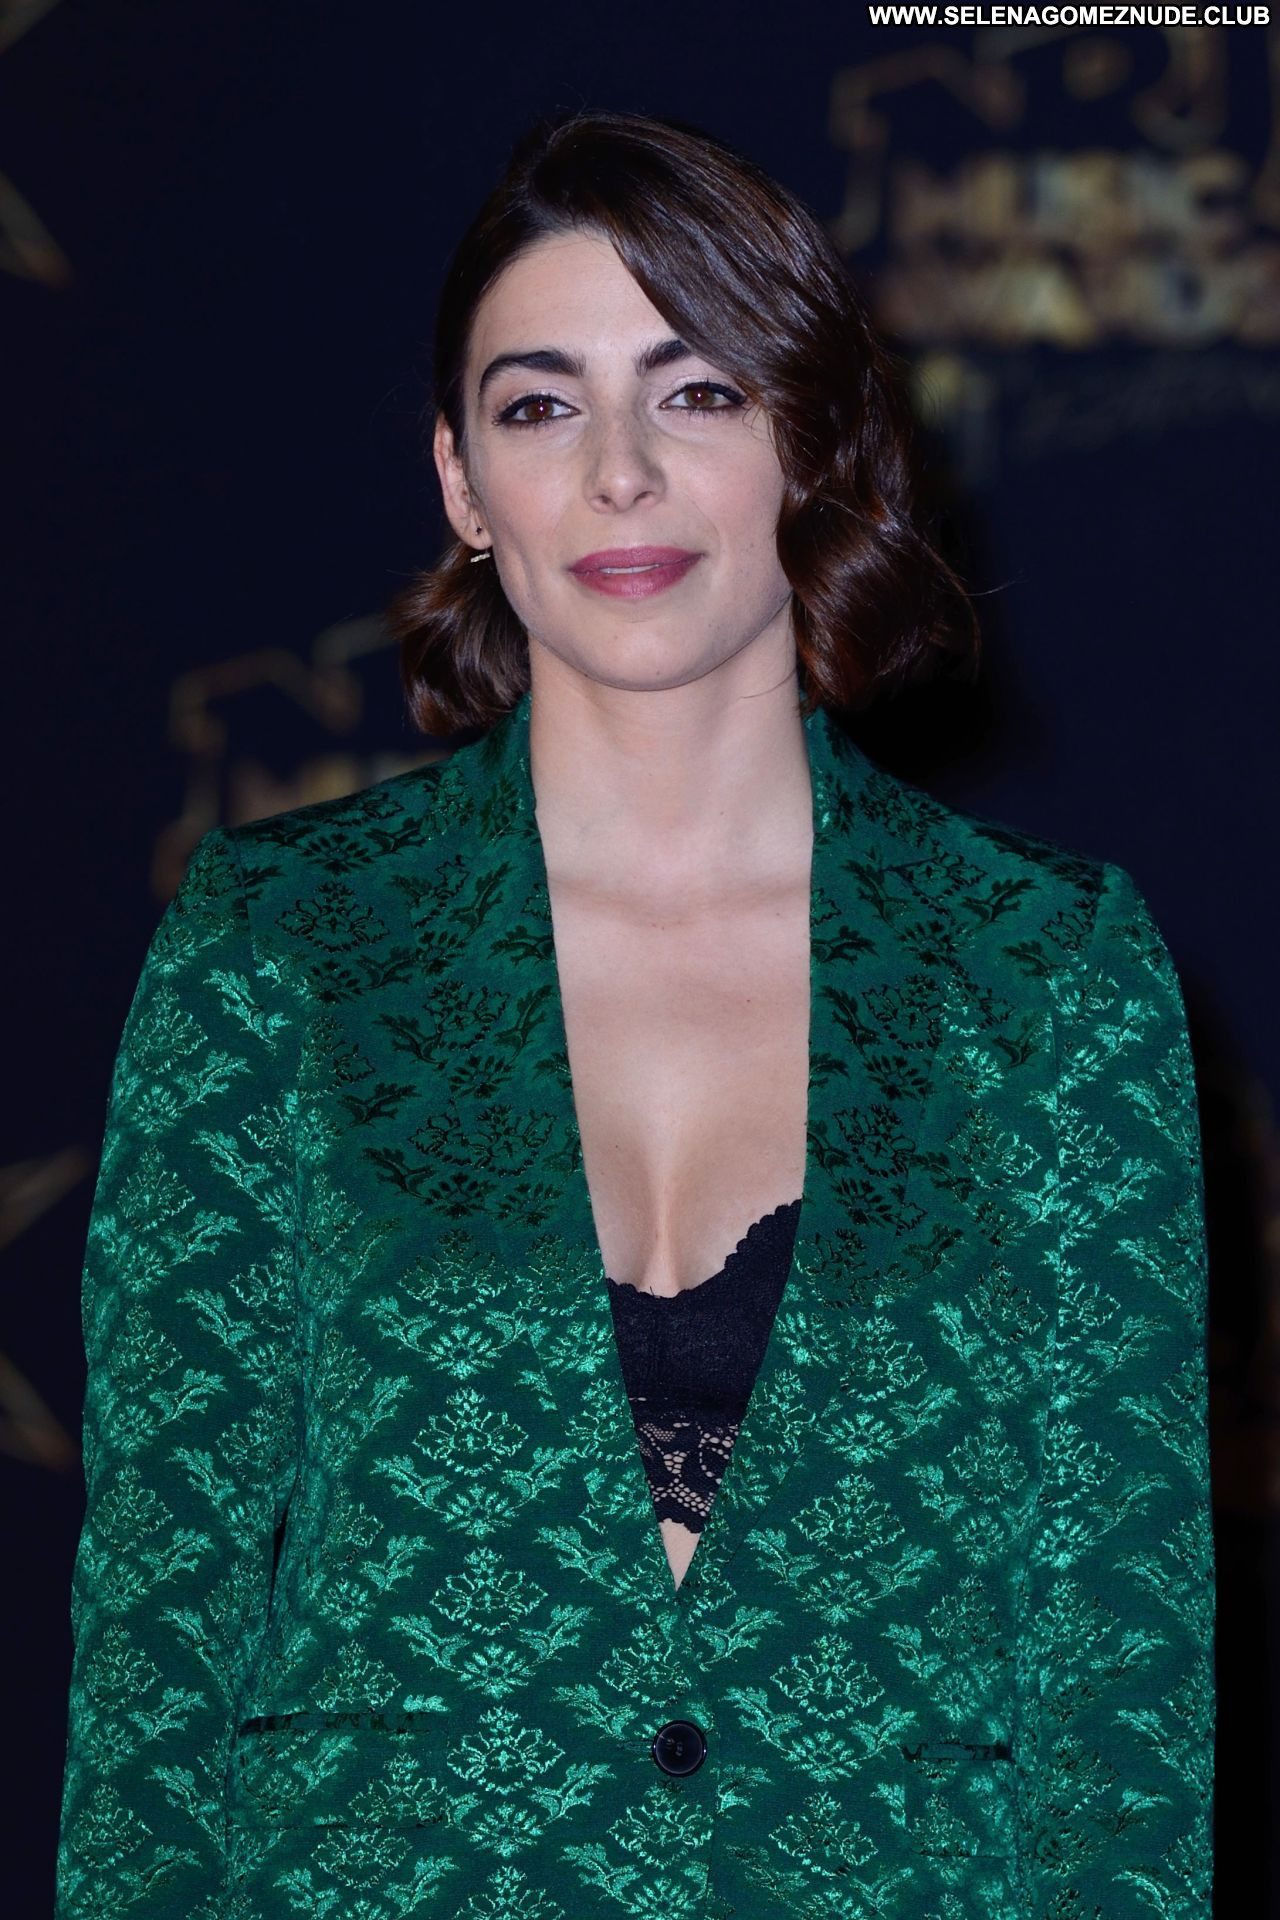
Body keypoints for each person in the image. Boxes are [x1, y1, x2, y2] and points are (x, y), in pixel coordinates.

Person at [56, 108, 1214, 1917]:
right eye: (540, 406)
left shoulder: (1048, 975)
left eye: (696, 393)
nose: (618, 473)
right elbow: (158, 1638)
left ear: (809, 440)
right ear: (462, 483)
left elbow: (1120, 1701)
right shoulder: (281, 948)